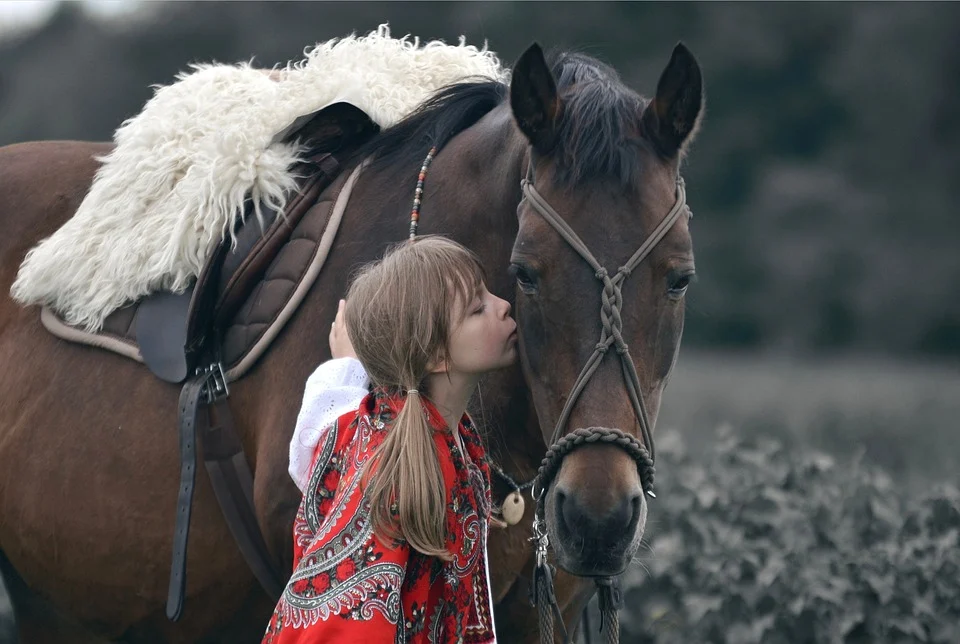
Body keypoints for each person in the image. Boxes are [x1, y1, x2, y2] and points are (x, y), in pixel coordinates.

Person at [263, 235, 517, 643]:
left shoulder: (435, 436)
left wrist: (347, 365)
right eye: (477, 309)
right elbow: (346, 626)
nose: (503, 305)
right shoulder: (394, 470)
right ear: (436, 356)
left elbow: (329, 439)